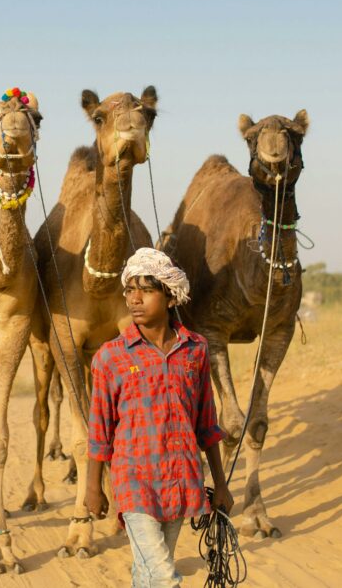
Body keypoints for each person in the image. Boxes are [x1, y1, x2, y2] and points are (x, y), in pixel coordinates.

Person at [85, 247, 233, 588]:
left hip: (180, 480)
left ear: (169, 297)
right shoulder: (111, 357)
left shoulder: (195, 350)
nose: (134, 299)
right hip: (134, 481)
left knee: (147, 573)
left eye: (146, 290)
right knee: (165, 577)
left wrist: (221, 485)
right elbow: (99, 430)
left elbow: (207, 426)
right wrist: (93, 487)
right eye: (129, 290)